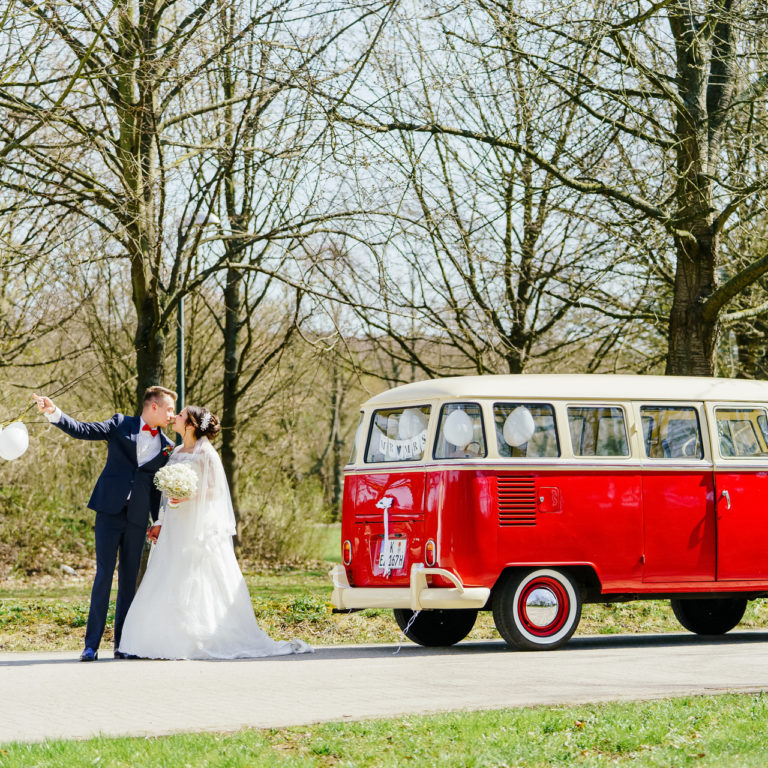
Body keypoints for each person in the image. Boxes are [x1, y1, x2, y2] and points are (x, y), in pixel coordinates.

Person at [118, 405, 311, 660]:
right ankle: (159, 639)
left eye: (180, 416)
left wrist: (187, 495)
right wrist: (160, 521)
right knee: (167, 573)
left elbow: (215, 491)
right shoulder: (175, 452)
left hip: (197, 525)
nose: (174, 417)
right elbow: (165, 495)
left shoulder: (206, 454)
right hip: (175, 523)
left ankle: (197, 635)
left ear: (191, 425)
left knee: (196, 577)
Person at [32, 387, 177, 661]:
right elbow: (84, 430)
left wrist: (159, 520)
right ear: (153, 407)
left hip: (137, 521)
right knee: (103, 576)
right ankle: (91, 645)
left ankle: (123, 645)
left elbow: (158, 489)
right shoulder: (120, 424)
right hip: (109, 512)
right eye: (169, 409)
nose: (172, 415)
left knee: (128, 583)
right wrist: (54, 413)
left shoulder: (167, 445)